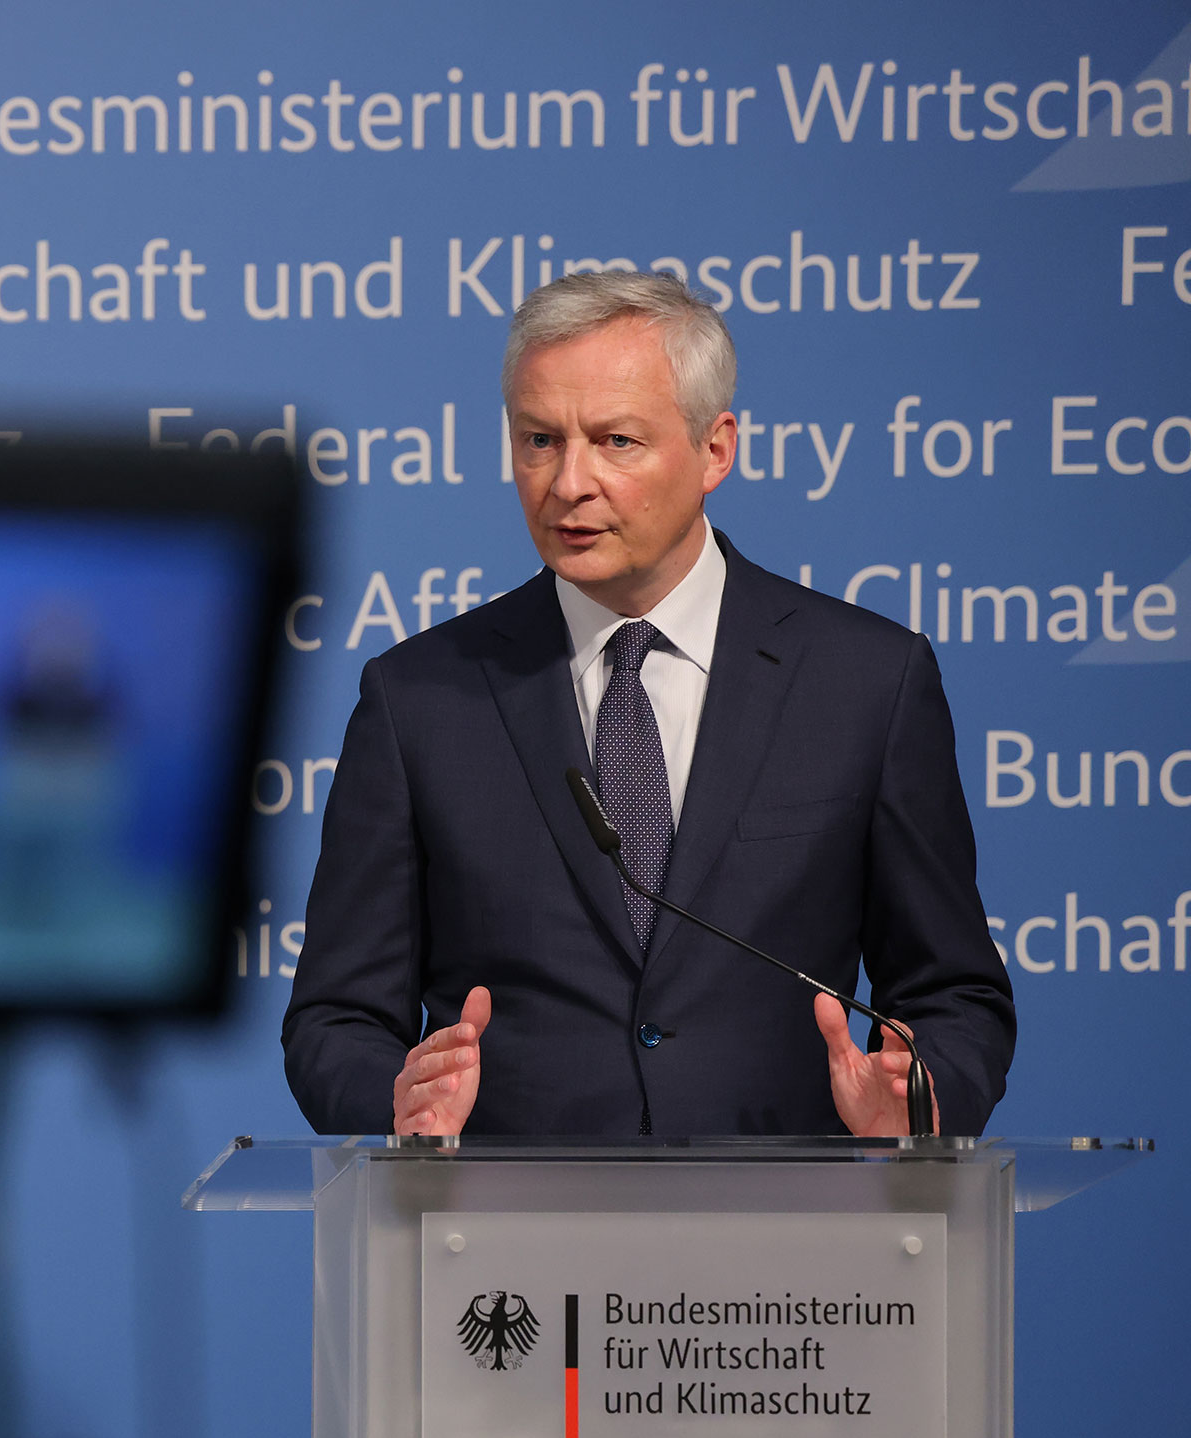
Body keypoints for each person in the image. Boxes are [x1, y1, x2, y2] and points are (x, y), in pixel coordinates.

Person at [282, 272, 1014, 1138]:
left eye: (617, 441)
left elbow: (954, 995)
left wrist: (917, 1100)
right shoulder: (420, 699)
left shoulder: (866, 682)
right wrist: (399, 1102)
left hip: (791, 1246)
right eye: (540, 440)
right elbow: (334, 1022)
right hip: (503, 1252)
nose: (569, 483)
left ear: (715, 449)